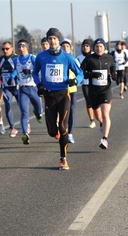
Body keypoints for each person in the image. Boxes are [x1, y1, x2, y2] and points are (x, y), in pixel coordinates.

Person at [32, 28, 83, 170]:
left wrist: (75, 81)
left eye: (54, 38)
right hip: (49, 96)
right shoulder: (41, 57)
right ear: (47, 41)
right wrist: (39, 84)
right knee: (52, 132)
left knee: (63, 126)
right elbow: (34, 73)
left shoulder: (67, 57)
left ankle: (63, 158)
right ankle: (57, 133)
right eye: (50, 39)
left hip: (63, 95)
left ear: (58, 40)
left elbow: (80, 73)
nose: (52, 41)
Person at [80, 38, 116, 149]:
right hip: (93, 91)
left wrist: (114, 74)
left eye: (101, 46)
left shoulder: (109, 57)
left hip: (106, 90)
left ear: (104, 47)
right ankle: (101, 123)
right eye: (96, 46)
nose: (98, 48)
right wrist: (91, 75)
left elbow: (113, 67)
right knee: (98, 116)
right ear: (93, 48)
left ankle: (104, 139)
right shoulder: (89, 59)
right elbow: (81, 72)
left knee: (105, 114)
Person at [8, 39, 43, 145]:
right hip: (22, 89)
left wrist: (31, 71)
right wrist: (11, 76)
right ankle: (25, 134)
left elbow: (40, 70)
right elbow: (15, 70)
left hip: (33, 88)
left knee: (39, 109)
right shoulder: (15, 60)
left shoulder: (33, 58)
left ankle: (37, 113)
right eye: (19, 47)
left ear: (27, 47)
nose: (21, 49)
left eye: (23, 46)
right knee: (24, 113)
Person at [60, 38, 79, 143]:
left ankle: (70, 133)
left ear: (71, 48)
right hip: (60, 89)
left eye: (67, 46)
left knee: (71, 111)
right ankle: (63, 131)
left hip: (72, 89)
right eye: (63, 46)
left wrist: (75, 80)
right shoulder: (58, 59)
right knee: (61, 112)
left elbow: (80, 74)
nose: (65, 48)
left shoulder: (74, 60)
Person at [77, 39, 98, 129]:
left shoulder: (95, 56)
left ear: (91, 47)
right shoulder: (79, 58)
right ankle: (92, 120)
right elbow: (78, 71)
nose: (85, 47)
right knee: (88, 102)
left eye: (87, 46)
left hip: (96, 82)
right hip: (85, 83)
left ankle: (100, 117)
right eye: (83, 46)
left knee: (97, 102)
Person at [0, 41, 19, 137]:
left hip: (17, 87)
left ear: (12, 49)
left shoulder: (16, 58)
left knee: (22, 106)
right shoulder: (1, 59)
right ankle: (12, 127)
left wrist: (13, 77)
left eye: (7, 49)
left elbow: (19, 70)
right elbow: (0, 71)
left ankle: (26, 122)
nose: (5, 51)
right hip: (7, 87)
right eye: (3, 49)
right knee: (7, 105)